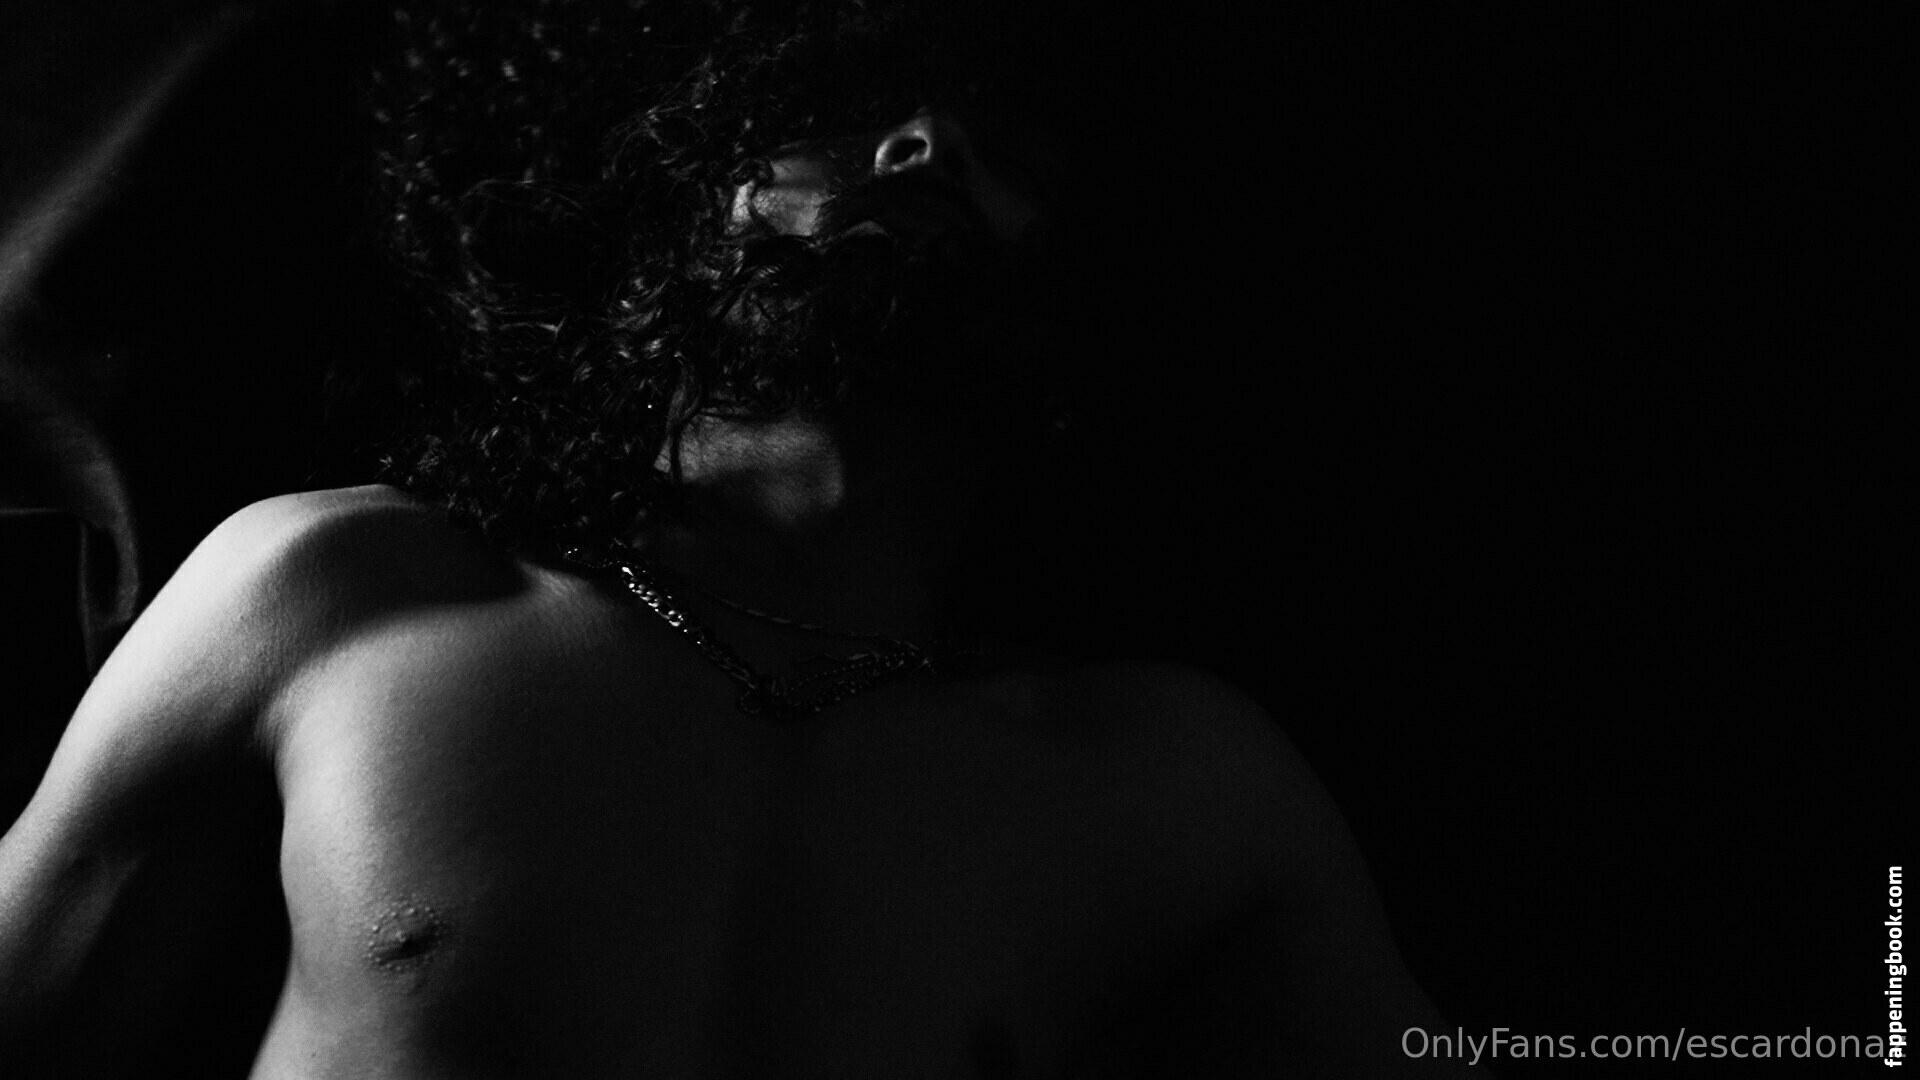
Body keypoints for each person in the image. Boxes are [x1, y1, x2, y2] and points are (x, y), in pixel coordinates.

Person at [0, 2, 1484, 1075]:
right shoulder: (331, 598)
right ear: (680, 196)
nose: (925, 142)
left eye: (1008, 142)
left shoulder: (1168, 784)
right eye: (838, 102)